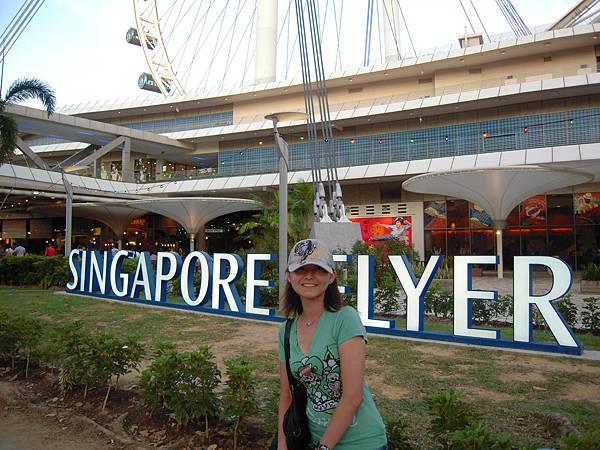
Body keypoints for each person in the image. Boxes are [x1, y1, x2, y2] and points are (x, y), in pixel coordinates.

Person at [277, 239, 387, 450]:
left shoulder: (345, 319)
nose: (309, 275)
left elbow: (352, 397)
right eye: (300, 269)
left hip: (361, 442)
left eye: (318, 269)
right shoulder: (286, 332)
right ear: (289, 276)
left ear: (331, 276)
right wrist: (283, 446)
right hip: (313, 439)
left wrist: (323, 447)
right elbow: (286, 397)